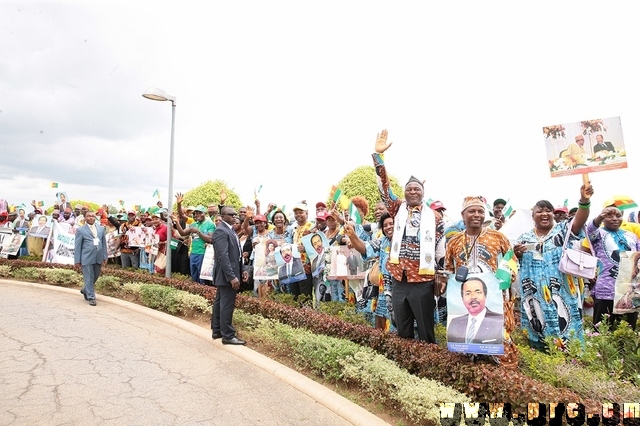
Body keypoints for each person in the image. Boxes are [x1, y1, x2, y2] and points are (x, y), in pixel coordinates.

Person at [372, 129, 445, 343]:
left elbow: (440, 249)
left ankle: (427, 367)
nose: (413, 192)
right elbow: (383, 188)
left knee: (425, 330)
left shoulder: (435, 218)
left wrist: (440, 278)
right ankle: (406, 370)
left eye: (417, 189)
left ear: (423, 192)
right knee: (402, 329)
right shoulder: (397, 209)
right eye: (409, 189)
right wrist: (379, 157)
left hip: (422, 280)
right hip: (398, 278)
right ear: (404, 193)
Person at [514, 182, 594, 350]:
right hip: (534, 293)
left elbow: (580, 219)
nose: (544, 214)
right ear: (532, 216)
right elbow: (514, 261)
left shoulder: (563, 230)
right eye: (539, 211)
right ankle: (541, 355)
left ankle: (571, 360)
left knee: (567, 326)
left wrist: (584, 201)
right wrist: (518, 253)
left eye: (548, 210)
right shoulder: (524, 237)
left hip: (562, 291)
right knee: (538, 326)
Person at [444, 196, 517, 362]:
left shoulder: (498, 237)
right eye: (472, 211)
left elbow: (511, 260)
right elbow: (448, 269)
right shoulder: (454, 242)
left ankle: (504, 378)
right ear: (463, 215)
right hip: (466, 301)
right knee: (466, 345)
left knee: (499, 340)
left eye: (480, 211)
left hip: (495, 298)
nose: (476, 214)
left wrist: (505, 279)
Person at [587, 205, 640, 330]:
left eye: (618, 215)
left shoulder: (632, 236)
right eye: (609, 215)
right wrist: (600, 216)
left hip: (628, 291)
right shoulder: (598, 233)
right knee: (602, 330)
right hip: (606, 289)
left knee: (627, 331)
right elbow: (589, 229)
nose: (615, 219)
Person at [346, 212, 396, 331]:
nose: (388, 227)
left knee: (399, 325)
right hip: (384, 292)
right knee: (380, 324)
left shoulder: (406, 241)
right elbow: (365, 249)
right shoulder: (382, 241)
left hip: (401, 290)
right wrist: (352, 235)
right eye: (385, 225)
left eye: (391, 224)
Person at [211, 206, 248, 345]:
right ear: (223, 216)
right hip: (226, 275)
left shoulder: (230, 230)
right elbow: (222, 256)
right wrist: (232, 277)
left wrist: (243, 269)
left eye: (235, 214)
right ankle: (228, 335)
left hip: (230, 272)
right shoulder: (221, 230)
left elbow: (237, 254)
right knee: (226, 304)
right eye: (231, 215)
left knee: (221, 302)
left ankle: (217, 330)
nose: (234, 217)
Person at [447, 277, 504, 344]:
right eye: (468, 293)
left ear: (485, 296)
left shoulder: (499, 321)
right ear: (462, 298)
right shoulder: (455, 323)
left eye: (478, 292)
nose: (473, 297)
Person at [74, 211, 108, 306]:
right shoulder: (80, 230)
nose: (91, 218)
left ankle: (85, 290)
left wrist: (105, 256)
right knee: (88, 278)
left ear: (95, 218)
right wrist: (77, 260)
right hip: (86, 257)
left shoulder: (101, 229)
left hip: (98, 256)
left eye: (93, 216)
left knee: (95, 276)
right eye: (88, 216)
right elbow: (77, 246)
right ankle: (91, 297)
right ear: (85, 218)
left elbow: (104, 244)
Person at [173, 206, 214, 283]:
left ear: (204, 213)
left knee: (202, 278)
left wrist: (198, 232)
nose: (196, 215)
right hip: (193, 253)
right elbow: (182, 233)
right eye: (195, 213)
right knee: (194, 276)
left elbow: (210, 239)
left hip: (203, 254)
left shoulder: (210, 224)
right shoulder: (194, 224)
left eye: (199, 213)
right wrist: (177, 222)